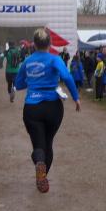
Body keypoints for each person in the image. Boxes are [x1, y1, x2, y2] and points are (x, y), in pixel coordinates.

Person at [14, 28, 81, 193]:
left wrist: (32, 81)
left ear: (34, 44)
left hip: (32, 107)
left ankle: (39, 163)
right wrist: (76, 97)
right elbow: (67, 76)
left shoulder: (27, 61)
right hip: (53, 107)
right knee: (48, 143)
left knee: (38, 145)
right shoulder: (55, 59)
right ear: (49, 43)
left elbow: (18, 84)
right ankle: (42, 175)